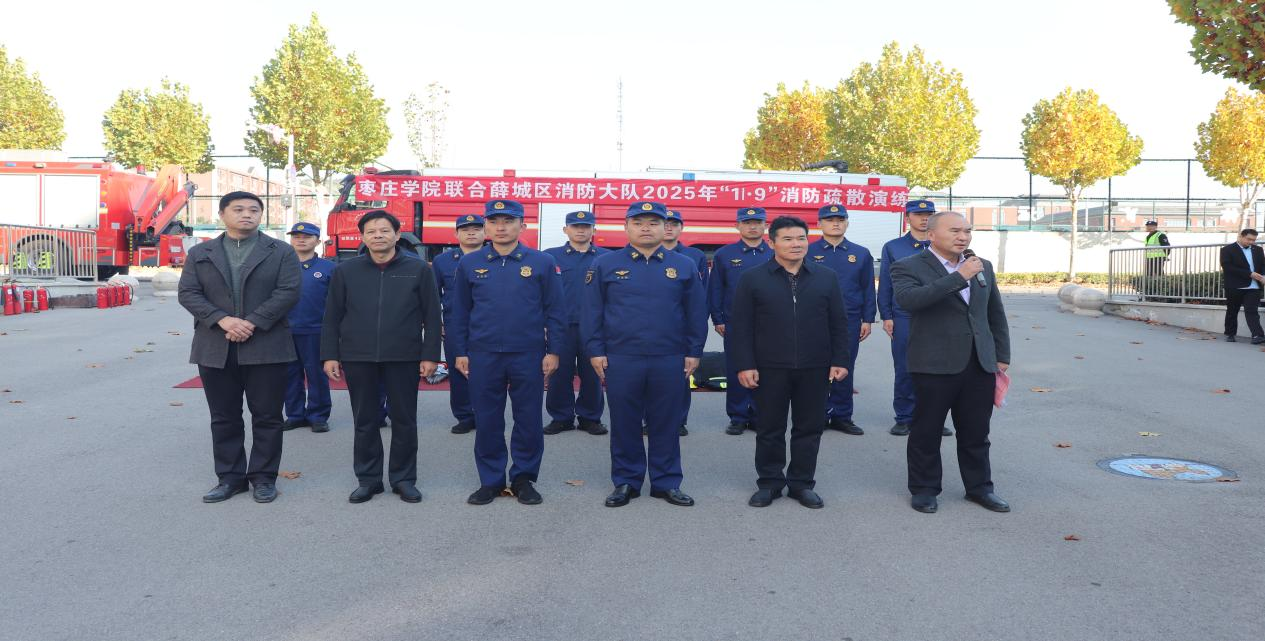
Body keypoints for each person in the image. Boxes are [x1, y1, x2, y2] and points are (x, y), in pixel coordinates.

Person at [177, 191, 300, 504]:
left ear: (261, 215)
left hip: (267, 345)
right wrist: (222, 320)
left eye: (254, 210)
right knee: (224, 417)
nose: (247, 214)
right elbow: (188, 293)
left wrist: (252, 322)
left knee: (268, 416)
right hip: (215, 346)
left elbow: (288, 291)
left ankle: (263, 478)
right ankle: (230, 478)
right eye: (239, 209)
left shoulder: (281, 251)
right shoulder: (201, 253)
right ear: (222, 214)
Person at [583, 201, 707, 508]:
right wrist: (595, 350)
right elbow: (592, 312)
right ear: (626, 227)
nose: (646, 228)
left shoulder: (683, 265)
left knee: (666, 422)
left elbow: (695, 312)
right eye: (638, 223)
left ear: (666, 227)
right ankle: (627, 481)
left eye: (653, 222)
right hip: (621, 356)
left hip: (670, 356)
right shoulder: (605, 264)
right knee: (624, 421)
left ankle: (666, 482)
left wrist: (694, 351)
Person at [891, 211, 1011, 515]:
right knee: (927, 431)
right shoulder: (908, 266)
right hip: (933, 363)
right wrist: (959, 277)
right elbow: (910, 301)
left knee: (976, 432)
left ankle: (980, 488)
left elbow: (994, 312)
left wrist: (1001, 354)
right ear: (932, 235)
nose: (963, 237)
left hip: (979, 361)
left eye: (967, 231)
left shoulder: (981, 266)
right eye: (955, 230)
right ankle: (924, 489)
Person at [449, 199, 565, 506]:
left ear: (522, 225)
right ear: (486, 226)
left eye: (508, 221)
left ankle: (524, 478)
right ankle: (491, 480)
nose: (501, 227)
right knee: (487, 419)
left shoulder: (541, 262)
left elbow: (555, 311)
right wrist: (459, 351)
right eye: (494, 221)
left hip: (528, 353)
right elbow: (459, 312)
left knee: (528, 418)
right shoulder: (470, 263)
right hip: (483, 354)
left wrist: (554, 351)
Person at [321, 210, 442, 504]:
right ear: (363, 237)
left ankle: (403, 479)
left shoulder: (418, 269)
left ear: (397, 235)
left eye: (385, 230)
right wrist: (330, 355)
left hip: (404, 355)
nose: (378, 236)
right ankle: (368, 479)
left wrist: (430, 356)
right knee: (365, 419)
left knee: (404, 419)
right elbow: (332, 315)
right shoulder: (346, 271)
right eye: (371, 231)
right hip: (358, 355)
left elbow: (432, 315)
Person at [729, 216, 850, 509]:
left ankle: (801, 483)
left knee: (809, 428)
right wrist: (745, 365)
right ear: (772, 243)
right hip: (769, 367)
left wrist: (840, 359)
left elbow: (838, 322)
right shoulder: (753, 278)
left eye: (801, 238)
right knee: (769, 428)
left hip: (815, 366)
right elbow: (741, 326)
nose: (796, 244)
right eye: (787, 239)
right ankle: (769, 482)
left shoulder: (826, 277)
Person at [878, 199, 951, 437]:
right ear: (907, 217)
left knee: (938, 370)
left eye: (929, 214)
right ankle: (904, 417)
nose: (924, 218)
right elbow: (886, 284)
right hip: (904, 316)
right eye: (918, 214)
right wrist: (886, 315)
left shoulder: (944, 244)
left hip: (939, 314)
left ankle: (933, 419)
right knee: (905, 368)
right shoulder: (893, 247)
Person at [810, 204, 875, 436]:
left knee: (844, 367)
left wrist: (868, 319)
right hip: (814, 319)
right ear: (819, 224)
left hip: (850, 319)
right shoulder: (808, 251)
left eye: (840, 219)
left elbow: (868, 288)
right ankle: (816, 415)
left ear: (847, 223)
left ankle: (842, 415)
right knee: (815, 368)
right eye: (829, 219)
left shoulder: (861, 253)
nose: (835, 223)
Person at [543, 211, 609, 436]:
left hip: (595, 327)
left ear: (594, 230)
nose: (581, 230)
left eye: (586, 226)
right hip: (560, 326)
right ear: (565, 230)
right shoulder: (550, 257)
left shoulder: (606, 258)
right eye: (575, 226)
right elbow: (541, 291)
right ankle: (561, 417)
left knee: (593, 373)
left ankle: (590, 418)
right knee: (559, 373)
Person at [708, 207, 773, 435]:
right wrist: (718, 318)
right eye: (747, 222)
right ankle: (737, 416)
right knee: (737, 368)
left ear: (766, 225)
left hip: (771, 322)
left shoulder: (775, 252)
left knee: (766, 369)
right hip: (735, 321)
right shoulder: (724, 254)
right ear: (737, 226)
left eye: (757, 222)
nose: (752, 226)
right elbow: (716, 288)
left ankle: (758, 415)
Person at [432, 214, 487, 434]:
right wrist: (437, 323)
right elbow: (433, 295)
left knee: (488, 372)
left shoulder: (494, 258)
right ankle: (464, 415)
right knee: (458, 371)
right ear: (456, 234)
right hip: (455, 326)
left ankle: (485, 414)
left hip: (488, 326)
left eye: (476, 229)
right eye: (465, 229)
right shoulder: (442, 261)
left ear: (485, 232)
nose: (471, 233)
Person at [282, 222, 336, 434]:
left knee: (317, 376)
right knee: (289, 376)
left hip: (316, 331)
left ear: (318, 241)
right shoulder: (281, 266)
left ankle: (318, 416)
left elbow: (336, 302)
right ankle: (295, 415)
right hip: (285, 331)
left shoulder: (329, 268)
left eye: (307, 236)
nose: (301, 240)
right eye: (296, 236)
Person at [663, 209, 710, 437]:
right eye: (665, 223)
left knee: (680, 376)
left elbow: (702, 294)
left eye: (674, 224)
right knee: (647, 378)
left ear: (681, 228)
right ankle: (649, 420)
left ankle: (679, 421)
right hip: (651, 326)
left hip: (681, 327)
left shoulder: (694, 256)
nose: (669, 227)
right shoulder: (642, 255)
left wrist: (698, 326)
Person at [1219, 229, 1265, 344]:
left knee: (1252, 310)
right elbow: (1228, 267)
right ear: (1241, 236)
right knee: (1232, 310)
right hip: (1235, 285)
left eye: (1253, 240)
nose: (1251, 242)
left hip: (1254, 286)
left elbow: (1263, 265)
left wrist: (1263, 276)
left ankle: (1257, 335)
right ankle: (1230, 334)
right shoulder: (1227, 250)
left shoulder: (1258, 250)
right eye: (1249, 239)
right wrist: (1249, 274)